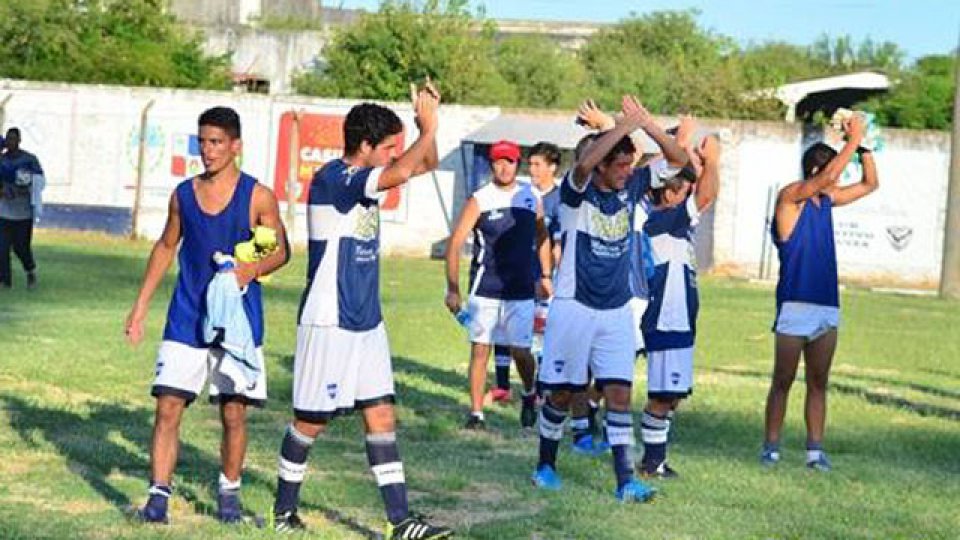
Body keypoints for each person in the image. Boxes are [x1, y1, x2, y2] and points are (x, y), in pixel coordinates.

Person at [270, 84, 452, 539]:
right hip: (330, 317)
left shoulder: (371, 175)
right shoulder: (335, 179)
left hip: (366, 319)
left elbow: (423, 163)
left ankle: (400, 522)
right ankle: (282, 511)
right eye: (386, 147)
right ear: (365, 146)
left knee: (381, 415)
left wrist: (429, 126)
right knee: (311, 421)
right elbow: (404, 169)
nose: (394, 154)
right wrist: (423, 131)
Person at [124, 106, 290, 524]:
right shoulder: (183, 194)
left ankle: (228, 494)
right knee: (167, 407)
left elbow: (279, 250)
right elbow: (165, 246)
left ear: (236, 146)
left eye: (216, 142)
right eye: (202, 141)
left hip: (237, 321)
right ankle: (158, 497)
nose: (208, 150)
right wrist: (141, 304)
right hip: (186, 316)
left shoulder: (257, 196)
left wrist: (246, 271)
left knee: (233, 413)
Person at [532, 95, 687, 502]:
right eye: (619, 165)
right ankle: (545, 464)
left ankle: (625, 482)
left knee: (619, 394)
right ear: (602, 165)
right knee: (564, 394)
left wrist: (646, 123)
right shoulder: (574, 194)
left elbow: (678, 159)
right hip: (574, 306)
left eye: (628, 165)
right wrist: (619, 127)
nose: (626, 171)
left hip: (616, 309)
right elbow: (582, 165)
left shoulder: (633, 185)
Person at [761, 115, 877, 471]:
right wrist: (852, 140)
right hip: (795, 304)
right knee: (782, 380)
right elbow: (827, 178)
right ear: (815, 169)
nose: (837, 179)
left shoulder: (827, 202)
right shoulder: (790, 197)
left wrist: (866, 146)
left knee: (818, 382)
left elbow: (870, 183)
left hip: (826, 305)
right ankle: (771, 448)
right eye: (832, 171)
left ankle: (815, 451)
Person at [445, 139, 552, 431]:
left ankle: (529, 394)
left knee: (521, 352)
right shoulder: (480, 198)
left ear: (517, 164)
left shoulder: (531, 196)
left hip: (521, 288)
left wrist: (545, 274)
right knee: (481, 350)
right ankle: (476, 413)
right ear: (492, 164)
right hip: (486, 287)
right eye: (499, 161)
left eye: (510, 161)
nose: (504, 167)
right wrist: (453, 288)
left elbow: (542, 235)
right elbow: (454, 244)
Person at [637, 123, 721, 479]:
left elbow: (703, 194)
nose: (690, 192)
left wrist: (701, 164)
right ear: (670, 193)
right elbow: (706, 196)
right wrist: (714, 161)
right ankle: (651, 461)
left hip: (679, 319)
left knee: (670, 394)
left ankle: (651, 457)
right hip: (667, 319)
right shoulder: (664, 221)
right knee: (663, 394)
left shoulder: (672, 222)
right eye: (685, 186)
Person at [0, 128, 44, 290]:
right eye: (8, 140)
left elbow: (40, 181)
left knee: (21, 247)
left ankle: (30, 270)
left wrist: (29, 189)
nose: (10, 143)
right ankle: (5, 281)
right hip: (4, 211)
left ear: (19, 140)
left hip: (23, 213)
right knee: (2, 248)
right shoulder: (2, 161)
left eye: (13, 139)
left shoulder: (29, 160)